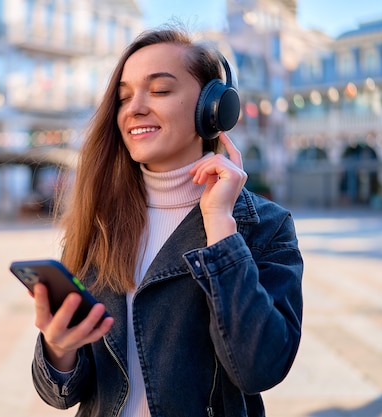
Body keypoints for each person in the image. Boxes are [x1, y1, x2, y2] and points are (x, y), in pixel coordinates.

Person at [30, 24, 304, 417]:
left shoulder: (265, 225)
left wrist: (220, 226)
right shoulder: (101, 217)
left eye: (159, 90)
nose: (135, 107)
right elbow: (61, 394)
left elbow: (259, 369)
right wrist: (59, 348)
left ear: (214, 109)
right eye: (124, 97)